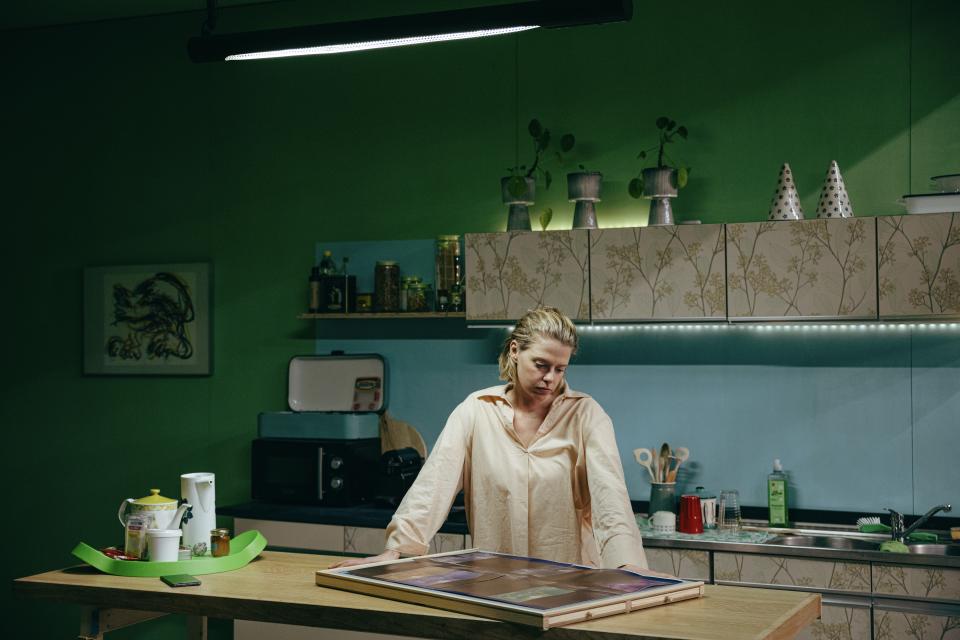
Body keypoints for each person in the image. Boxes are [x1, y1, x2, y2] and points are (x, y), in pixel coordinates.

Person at [332, 307, 648, 571]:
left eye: (559, 369)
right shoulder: (476, 411)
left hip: (569, 581)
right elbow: (433, 485)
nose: (549, 378)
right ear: (515, 350)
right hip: (495, 581)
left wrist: (629, 566)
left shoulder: (586, 415)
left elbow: (611, 497)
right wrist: (396, 549)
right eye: (541, 365)